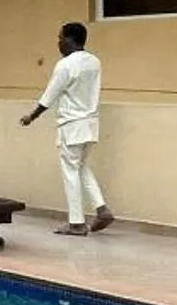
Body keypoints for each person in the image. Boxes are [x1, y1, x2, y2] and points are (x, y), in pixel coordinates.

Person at [21, 21, 111, 236]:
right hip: (90, 124)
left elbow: (50, 95)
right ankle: (102, 209)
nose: (58, 43)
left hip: (71, 126)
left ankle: (76, 223)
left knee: (70, 172)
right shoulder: (94, 62)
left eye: (60, 38)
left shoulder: (65, 65)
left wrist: (31, 117)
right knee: (81, 167)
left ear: (70, 39)